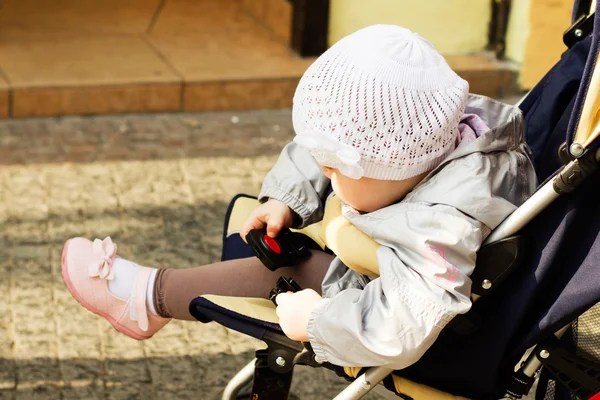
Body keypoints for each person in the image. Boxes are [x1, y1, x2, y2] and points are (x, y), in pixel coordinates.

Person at [60, 25, 537, 369]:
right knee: (287, 243)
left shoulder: (441, 226)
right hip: (374, 257)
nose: (326, 171)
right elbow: (332, 143)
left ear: (389, 166)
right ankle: (152, 295)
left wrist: (317, 321)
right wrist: (286, 199)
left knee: (289, 270)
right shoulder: (435, 127)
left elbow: (407, 322)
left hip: (402, 317)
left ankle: (148, 296)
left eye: (336, 169)